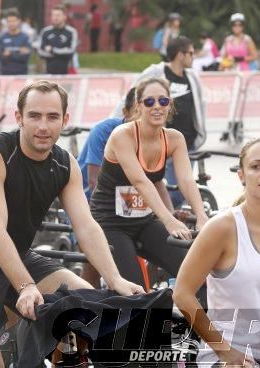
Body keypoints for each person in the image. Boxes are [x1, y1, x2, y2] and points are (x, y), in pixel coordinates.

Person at [0, 80, 144, 367]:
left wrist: (115, 278)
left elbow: (86, 226)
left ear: (65, 120)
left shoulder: (65, 164)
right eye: (34, 116)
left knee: (88, 304)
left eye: (52, 116)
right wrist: (25, 285)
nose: (43, 126)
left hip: (17, 257)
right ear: (18, 117)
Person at [90, 77, 208, 289]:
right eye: (149, 102)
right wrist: (169, 220)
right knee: (135, 290)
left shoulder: (174, 139)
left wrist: (201, 215)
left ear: (170, 104)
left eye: (163, 101)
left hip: (144, 221)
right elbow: (140, 181)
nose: (157, 107)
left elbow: (186, 180)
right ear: (139, 105)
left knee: (194, 273)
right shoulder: (122, 135)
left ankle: (197, 321)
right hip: (109, 223)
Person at [173, 138, 260, 367]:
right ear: (241, 175)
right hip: (233, 356)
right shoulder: (222, 227)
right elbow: (182, 293)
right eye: (256, 166)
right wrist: (225, 351)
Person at [117, 36, 206, 208]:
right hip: (163, 144)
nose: (193, 57)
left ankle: (174, 221)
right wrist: (117, 123)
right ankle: (168, 220)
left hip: (188, 143)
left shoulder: (192, 78)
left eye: (164, 101)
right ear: (180, 54)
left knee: (183, 189)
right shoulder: (155, 73)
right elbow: (131, 96)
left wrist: (200, 133)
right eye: (191, 53)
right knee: (166, 190)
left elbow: (200, 105)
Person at [37, 5, 78, 75]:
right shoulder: (45, 31)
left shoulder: (71, 32)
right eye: (53, 15)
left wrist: (52, 50)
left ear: (65, 17)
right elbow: (40, 51)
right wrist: (59, 53)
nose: (55, 18)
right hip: (47, 73)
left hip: (66, 74)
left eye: (58, 15)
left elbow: (71, 51)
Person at [0, 9, 31, 75]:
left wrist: (9, 54)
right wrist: (19, 52)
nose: (11, 23)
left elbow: (25, 58)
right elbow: (0, 58)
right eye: (9, 21)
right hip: (5, 75)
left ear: (19, 21)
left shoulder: (25, 38)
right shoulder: (2, 38)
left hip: (21, 75)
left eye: (14, 21)